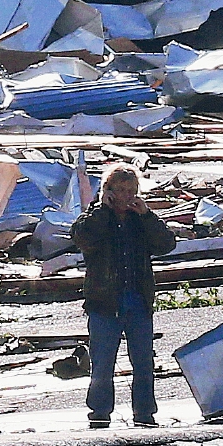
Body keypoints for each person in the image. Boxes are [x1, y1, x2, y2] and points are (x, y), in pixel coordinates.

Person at [70, 163, 176, 428]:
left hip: (138, 303)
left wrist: (148, 216)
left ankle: (144, 413)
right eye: (120, 190)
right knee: (103, 365)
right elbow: (82, 237)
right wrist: (102, 210)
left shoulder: (141, 222)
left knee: (143, 363)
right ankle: (100, 413)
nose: (126, 196)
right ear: (108, 191)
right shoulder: (93, 218)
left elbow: (166, 244)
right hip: (105, 305)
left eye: (131, 191)